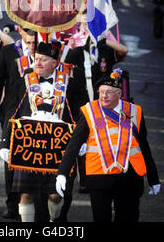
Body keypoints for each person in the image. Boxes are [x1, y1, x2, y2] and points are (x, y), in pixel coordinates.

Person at [0, 41, 89, 223]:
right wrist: (5, 142)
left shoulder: (74, 76)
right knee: (25, 195)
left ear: (55, 62)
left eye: (43, 60)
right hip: (28, 145)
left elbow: (84, 110)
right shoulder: (25, 76)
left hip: (59, 146)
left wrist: (84, 139)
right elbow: (12, 109)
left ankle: (52, 223)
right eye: (36, 59)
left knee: (55, 195)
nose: (37, 63)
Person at [56, 69, 161, 222]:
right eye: (101, 92)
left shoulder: (134, 111)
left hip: (129, 176)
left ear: (119, 94)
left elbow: (143, 145)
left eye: (109, 92)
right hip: (99, 175)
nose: (103, 96)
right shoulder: (89, 111)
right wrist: (62, 173)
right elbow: (74, 143)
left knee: (128, 218)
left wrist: (153, 178)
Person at [0, 28, 36, 220]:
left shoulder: (43, 50)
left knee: (34, 158)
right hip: (13, 112)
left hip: (37, 114)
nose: (32, 42)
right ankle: (12, 204)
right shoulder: (9, 51)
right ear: (21, 32)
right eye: (28, 33)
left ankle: (34, 202)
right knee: (11, 160)